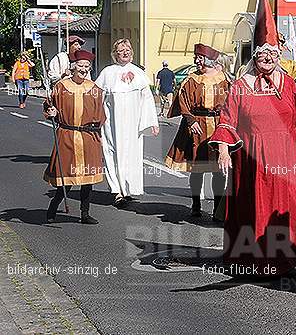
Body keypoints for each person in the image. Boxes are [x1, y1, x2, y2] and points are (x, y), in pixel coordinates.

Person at [210, 0, 296, 276]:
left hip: (287, 154)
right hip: (253, 157)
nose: (266, 59)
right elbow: (227, 120)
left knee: (287, 207)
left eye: (271, 54)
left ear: (277, 55)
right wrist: (222, 151)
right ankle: (255, 261)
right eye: (262, 55)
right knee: (255, 206)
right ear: (254, 56)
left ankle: (287, 259)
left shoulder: (289, 84)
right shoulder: (241, 86)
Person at [165, 44, 229, 218]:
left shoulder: (224, 80)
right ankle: (195, 204)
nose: (197, 61)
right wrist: (190, 120)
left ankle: (217, 208)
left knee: (218, 170)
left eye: (200, 58)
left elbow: (231, 104)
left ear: (208, 60)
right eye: (196, 58)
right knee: (197, 168)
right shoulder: (191, 79)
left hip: (217, 126)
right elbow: (183, 101)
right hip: (197, 126)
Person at [95, 39, 159, 208]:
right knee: (113, 154)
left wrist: (152, 121)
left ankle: (128, 189)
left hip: (133, 124)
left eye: (128, 49)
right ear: (115, 54)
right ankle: (116, 191)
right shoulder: (107, 73)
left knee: (132, 155)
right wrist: (95, 121)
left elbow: (147, 100)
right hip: (112, 124)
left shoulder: (138, 73)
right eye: (121, 50)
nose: (125, 52)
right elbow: (96, 99)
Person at [44, 50, 105, 224]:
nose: (84, 69)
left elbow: (101, 113)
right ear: (73, 67)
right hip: (67, 134)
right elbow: (50, 105)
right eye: (80, 66)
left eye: (87, 66)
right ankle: (54, 205)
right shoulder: (61, 87)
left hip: (88, 137)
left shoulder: (94, 89)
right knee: (67, 177)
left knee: (88, 179)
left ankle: (85, 214)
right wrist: (52, 111)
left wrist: (97, 128)